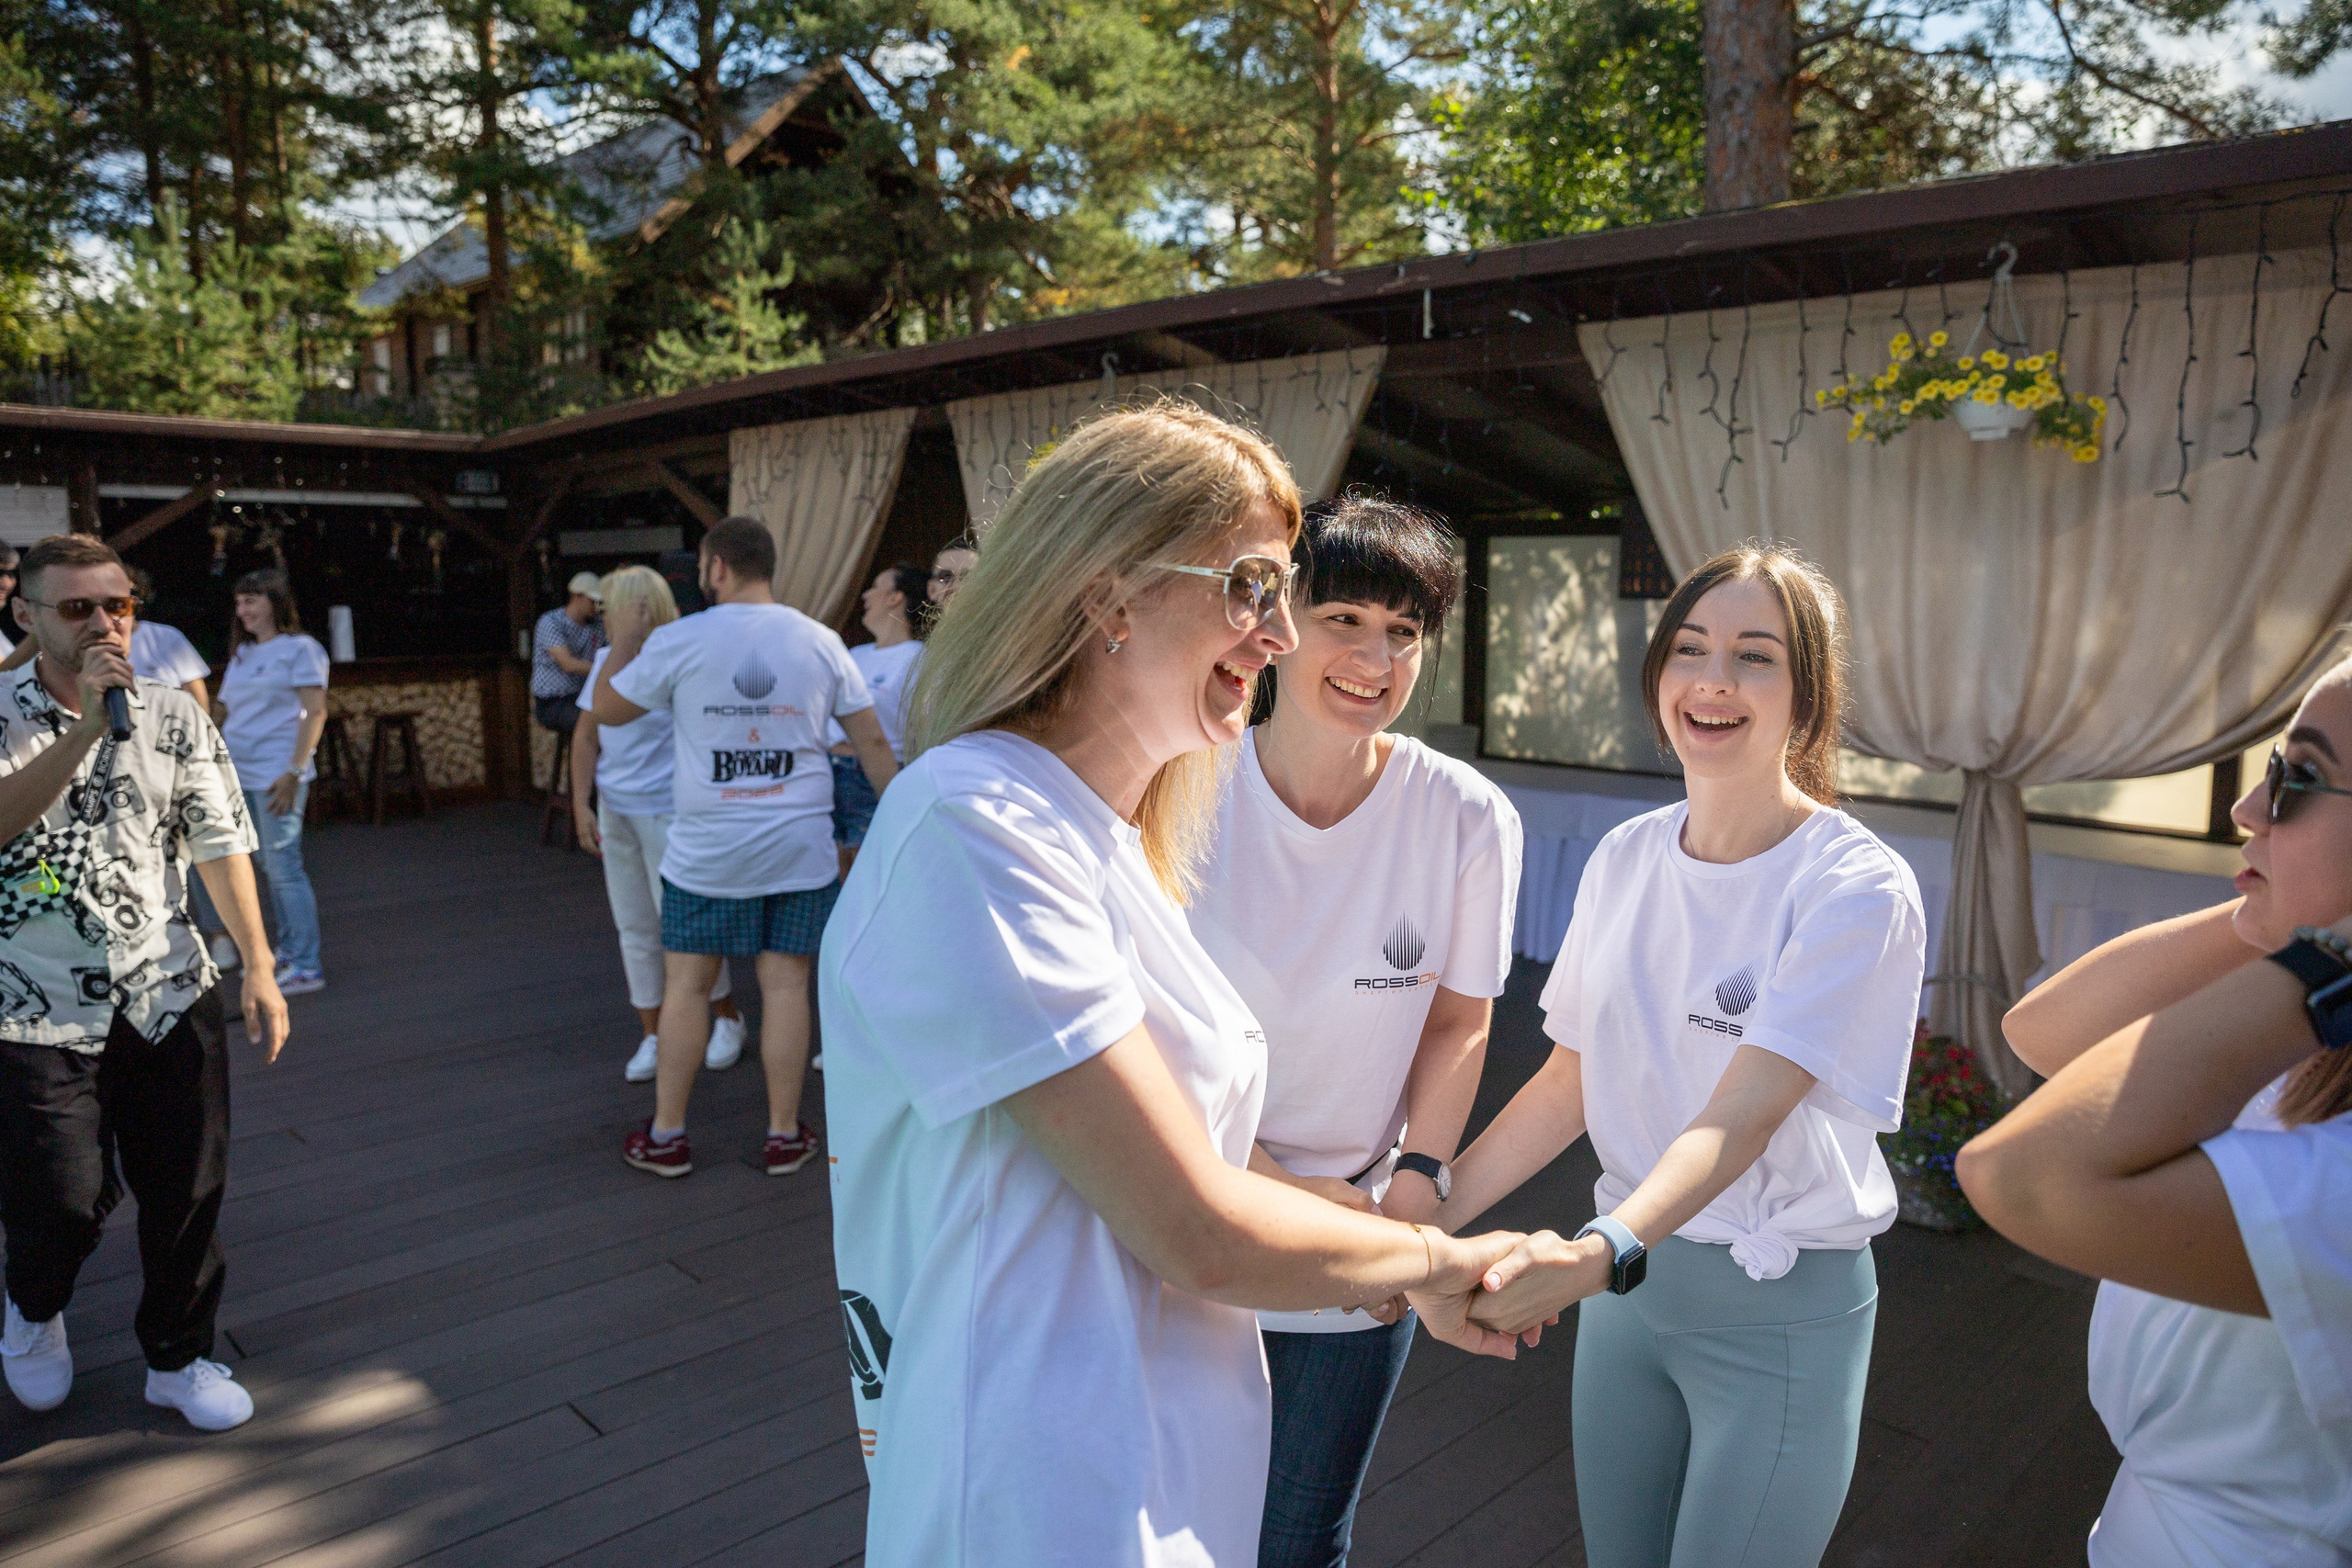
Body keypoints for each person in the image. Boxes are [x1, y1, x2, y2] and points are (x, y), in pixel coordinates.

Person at [821, 403, 1530, 1568]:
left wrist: (1393, 1206)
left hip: (1150, 1463)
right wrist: (1443, 1263)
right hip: (1034, 1489)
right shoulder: (975, 824)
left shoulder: (1102, 837)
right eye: (1255, 586)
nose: (1279, 631)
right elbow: (1191, 1226)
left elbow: (1194, 1165)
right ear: (1106, 592)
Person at [1434, 544, 1927, 1568]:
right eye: (1690, 650)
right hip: (1628, 1300)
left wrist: (1595, 1250)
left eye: (1755, 656)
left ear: (1807, 694)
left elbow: (1741, 1113)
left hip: (1775, 1313)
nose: (1713, 682)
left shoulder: (1853, 887)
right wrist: (1427, 1225)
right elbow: (1570, 1079)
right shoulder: (1624, 858)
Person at [1186, 494, 1523, 1568]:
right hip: (1181, 1208)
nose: (1375, 659)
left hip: (1361, 1229)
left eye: (1405, 632)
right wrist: (1275, 1187)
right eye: (1346, 620)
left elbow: (1460, 1021)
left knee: (1298, 1537)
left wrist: (1418, 1185)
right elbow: (1139, 1045)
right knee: (1164, 1520)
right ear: (1277, 622)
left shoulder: (1467, 816)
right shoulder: (1179, 791)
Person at [1958, 653, 2352, 1568]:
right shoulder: (2301, 1039)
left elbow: (2020, 1175)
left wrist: (2316, 950)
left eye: (2297, 781)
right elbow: (2045, 1032)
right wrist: (2280, 921)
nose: (2245, 812)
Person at [0, 534, 289, 1432]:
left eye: (116, 605)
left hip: (167, 989)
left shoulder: (172, 711)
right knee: (62, 1201)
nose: (102, 623)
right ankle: (34, 1310)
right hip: (34, 1005)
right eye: (77, 607)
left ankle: (177, 1355)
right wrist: (87, 724)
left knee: (188, 1190)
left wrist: (260, 966)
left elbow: (218, 841)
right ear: (25, 614)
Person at [591, 517, 898, 1179]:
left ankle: (668, 1134)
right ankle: (784, 1134)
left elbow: (608, 709)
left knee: (688, 985)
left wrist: (624, 642)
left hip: (708, 850)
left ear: (718, 568)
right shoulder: (820, 641)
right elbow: (871, 742)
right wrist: (901, 815)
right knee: (786, 983)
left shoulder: (679, 639)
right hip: (800, 845)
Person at [568, 566, 748, 1084]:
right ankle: (652, 1033)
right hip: (618, 810)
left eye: (612, 607)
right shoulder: (606, 659)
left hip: (670, 813)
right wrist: (581, 802)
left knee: (685, 925)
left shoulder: (679, 658)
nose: (603, 618)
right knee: (634, 927)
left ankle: (727, 1019)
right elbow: (587, 735)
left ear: (639, 607)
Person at [217, 570, 330, 997]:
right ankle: (288, 951)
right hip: (238, 773)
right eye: (239, 603)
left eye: (252, 601)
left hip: (276, 774)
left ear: (276, 602)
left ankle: (306, 966)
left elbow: (314, 713)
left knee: (284, 868)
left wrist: (295, 771)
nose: (243, 611)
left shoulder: (302, 649)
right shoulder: (244, 653)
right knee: (266, 865)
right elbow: (225, 710)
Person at [827, 562, 928, 874]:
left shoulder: (919, 657)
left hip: (872, 775)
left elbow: (921, 726)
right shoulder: (856, 654)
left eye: (875, 586)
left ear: (896, 598)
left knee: (873, 869)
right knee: (834, 869)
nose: (866, 595)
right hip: (829, 772)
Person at [533, 571, 605, 739]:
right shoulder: (551, 622)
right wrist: (606, 670)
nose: (596, 604)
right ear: (576, 596)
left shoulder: (598, 625)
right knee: (593, 724)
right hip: (553, 701)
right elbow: (568, 663)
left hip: (584, 697)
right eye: (592, 600)